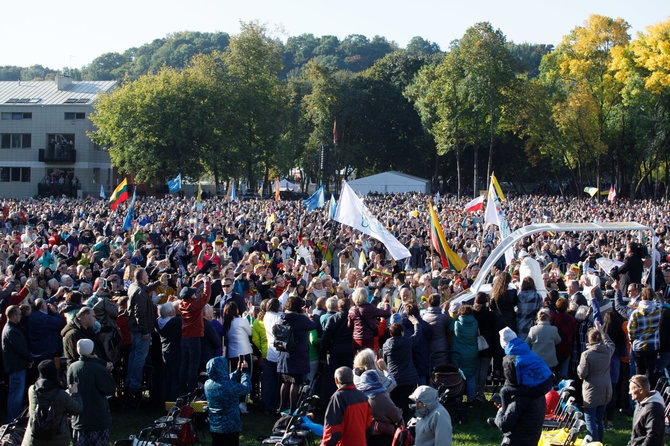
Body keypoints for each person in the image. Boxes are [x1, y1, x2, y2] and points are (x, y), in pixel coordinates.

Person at [66, 339, 116, 446]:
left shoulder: (72, 368)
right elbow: (109, 389)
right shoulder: (99, 368)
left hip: (80, 420)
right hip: (98, 418)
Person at [21, 360, 82, 446]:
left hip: (33, 439)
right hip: (58, 440)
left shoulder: (32, 390)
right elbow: (77, 409)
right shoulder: (61, 395)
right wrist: (75, 394)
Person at [277, 296, 317, 413]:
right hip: (297, 354)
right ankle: (293, 409)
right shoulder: (300, 319)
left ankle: (282, 406)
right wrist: (310, 314)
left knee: (285, 382)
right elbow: (312, 325)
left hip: (284, 353)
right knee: (296, 383)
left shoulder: (282, 317)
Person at [577, 321, 615, 443]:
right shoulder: (607, 351)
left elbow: (582, 374)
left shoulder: (587, 355)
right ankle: (599, 442)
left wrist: (578, 368)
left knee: (590, 419)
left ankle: (593, 443)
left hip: (592, 390)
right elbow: (611, 343)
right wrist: (602, 332)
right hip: (605, 388)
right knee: (599, 418)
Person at [204, 356, 252, 446]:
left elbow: (226, 380)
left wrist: (238, 371)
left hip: (215, 426)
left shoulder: (208, 384)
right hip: (230, 427)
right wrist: (245, 372)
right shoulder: (229, 387)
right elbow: (247, 388)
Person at [320, 366, 371, 446]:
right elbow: (369, 425)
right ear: (353, 378)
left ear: (336, 380)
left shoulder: (338, 398)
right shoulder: (362, 396)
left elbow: (333, 432)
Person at [125, 268, 157, 391]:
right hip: (141, 330)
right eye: (146, 276)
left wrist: (158, 282)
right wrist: (145, 330)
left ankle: (130, 380)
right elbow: (140, 314)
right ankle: (134, 383)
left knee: (134, 355)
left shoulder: (135, 286)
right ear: (142, 278)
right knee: (139, 357)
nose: (148, 277)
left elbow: (146, 289)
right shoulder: (139, 292)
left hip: (135, 328)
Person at [383, 316, 421, 420]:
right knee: (407, 406)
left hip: (394, 379)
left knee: (395, 405)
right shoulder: (407, 342)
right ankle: (407, 428)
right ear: (402, 332)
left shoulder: (386, 345)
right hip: (409, 378)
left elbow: (385, 361)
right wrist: (416, 323)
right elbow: (417, 335)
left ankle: (397, 426)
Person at [178, 277, 211, 395]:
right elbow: (206, 296)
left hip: (184, 338)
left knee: (184, 364)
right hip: (194, 338)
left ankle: (181, 390)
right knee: (193, 366)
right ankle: (190, 391)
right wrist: (206, 282)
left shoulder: (182, 304)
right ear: (191, 297)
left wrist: (199, 282)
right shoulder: (195, 306)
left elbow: (189, 291)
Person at [2, 304, 34, 422]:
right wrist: (30, 359)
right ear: (14, 316)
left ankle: (14, 419)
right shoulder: (12, 330)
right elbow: (20, 349)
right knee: (16, 395)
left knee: (16, 394)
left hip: (17, 365)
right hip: (16, 367)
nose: (21, 316)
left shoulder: (11, 327)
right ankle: (14, 420)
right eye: (19, 314)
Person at [356, 369, 402, 446]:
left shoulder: (359, 397)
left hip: (364, 436)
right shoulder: (381, 396)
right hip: (382, 436)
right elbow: (396, 416)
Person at [628, 287, 661, 382]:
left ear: (642, 297)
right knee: (650, 372)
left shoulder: (636, 313)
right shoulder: (658, 311)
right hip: (653, 346)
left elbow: (631, 330)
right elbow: (658, 301)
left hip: (639, 346)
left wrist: (632, 340)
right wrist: (652, 292)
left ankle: (640, 392)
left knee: (639, 373)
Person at [449, 304, 479, 403]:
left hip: (458, 353)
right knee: (470, 377)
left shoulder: (457, 324)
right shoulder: (475, 323)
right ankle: (471, 400)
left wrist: (457, 317)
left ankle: (458, 398)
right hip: (472, 353)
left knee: (459, 377)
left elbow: (450, 328)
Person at [348, 287, 390, 353]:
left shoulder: (352, 310)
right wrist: (386, 302)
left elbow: (349, 326)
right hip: (368, 340)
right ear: (366, 297)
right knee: (368, 360)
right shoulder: (370, 308)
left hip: (356, 340)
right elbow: (387, 313)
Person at [628, 374, 665, 446]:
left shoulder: (653, 409)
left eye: (631, 389)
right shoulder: (640, 402)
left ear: (641, 390)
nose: (629, 392)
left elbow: (652, 438)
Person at [422, 293, 451, 368]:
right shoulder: (443, 317)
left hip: (429, 348)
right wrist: (446, 311)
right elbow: (449, 325)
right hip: (442, 348)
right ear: (439, 303)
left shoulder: (424, 317)